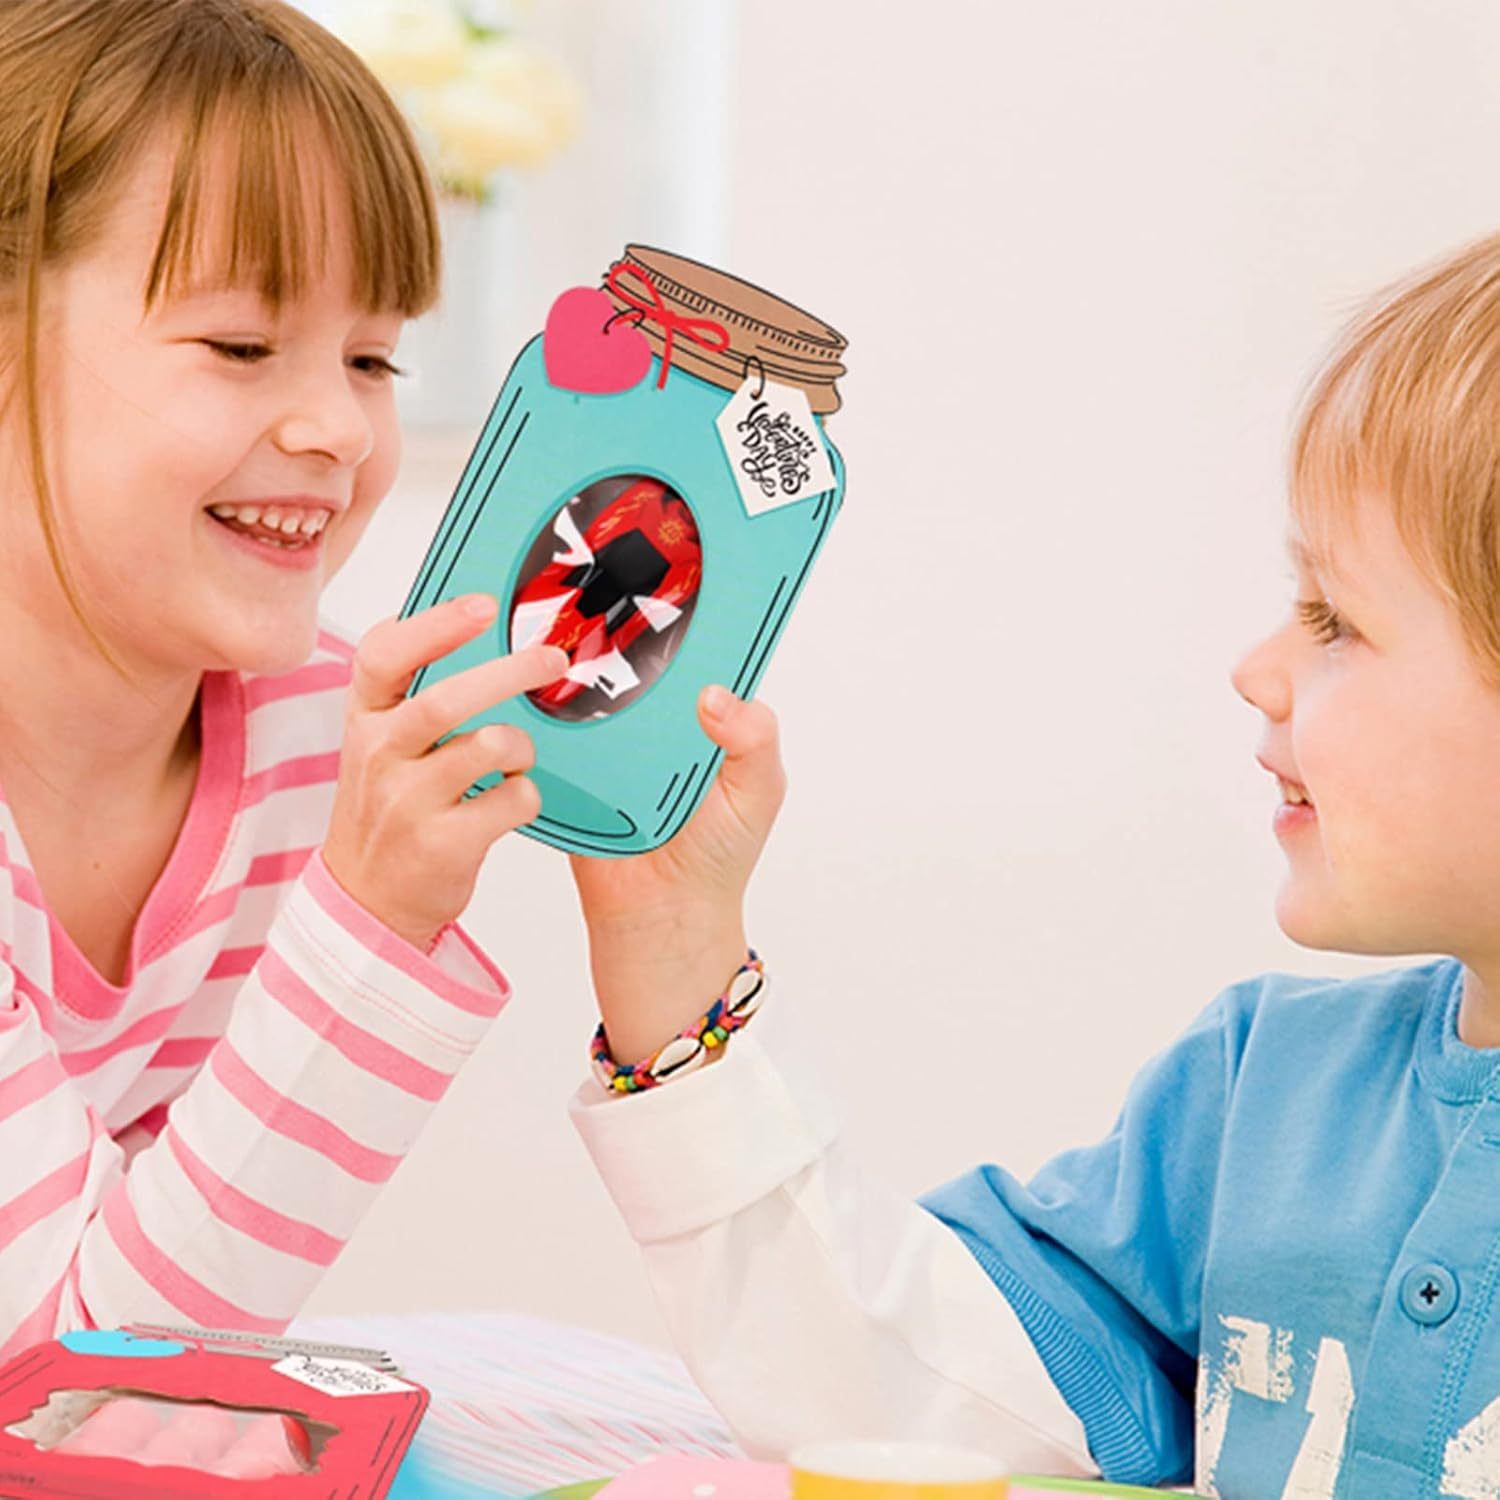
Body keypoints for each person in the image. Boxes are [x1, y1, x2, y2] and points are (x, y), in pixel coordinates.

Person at [568, 234, 1500, 1497]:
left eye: (1336, 621)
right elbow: (914, 1400)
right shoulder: (1255, 1102)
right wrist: (673, 952)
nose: (1257, 669)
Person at [0, 0, 570, 1355]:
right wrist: (369, 925)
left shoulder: (308, 735)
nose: (337, 430)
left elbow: (144, 1357)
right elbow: (70, 1381)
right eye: (242, 347)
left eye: (372, 359)